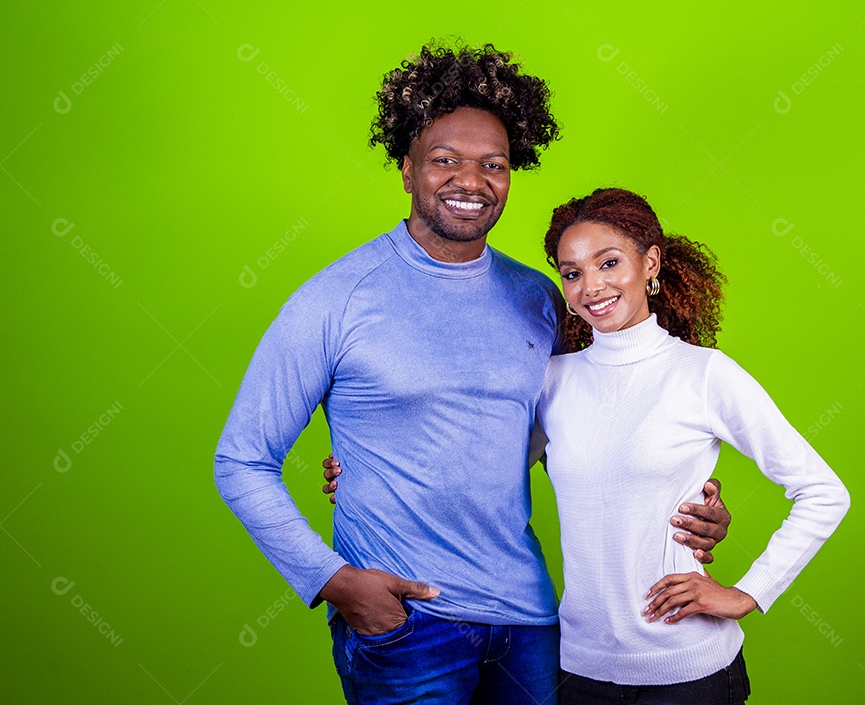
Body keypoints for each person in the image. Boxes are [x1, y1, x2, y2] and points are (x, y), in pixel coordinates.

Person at [214, 43, 730, 705]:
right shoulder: (334, 299)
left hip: (531, 622)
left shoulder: (540, 297)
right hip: (406, 626)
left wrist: (688, 500)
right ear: (407, 169)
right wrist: (335, 582)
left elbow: (583, 432)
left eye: (493, 164)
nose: (471, 180)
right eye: (444, 160)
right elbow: (241, 460)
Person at [538, 187, 851, 703]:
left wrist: (748, 592)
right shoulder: (552, 380)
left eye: (609, 263)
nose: (591, 286)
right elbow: (487, 478)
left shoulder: (702, 374)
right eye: (572, 273)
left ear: (650, 263)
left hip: (689, 672)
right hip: (580, 670)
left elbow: (823, 492)